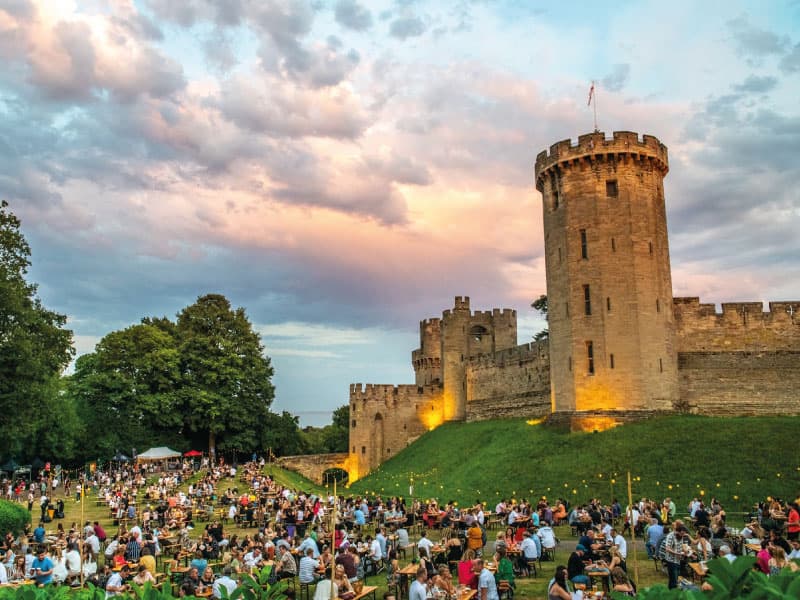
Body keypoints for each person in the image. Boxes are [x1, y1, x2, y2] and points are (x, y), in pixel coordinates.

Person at [664, 524, 687, 589]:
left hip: (677, 560)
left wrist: (684, 550)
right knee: (674, 579)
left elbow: (681, 544)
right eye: (681, 533)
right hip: (671, 560)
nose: (682, 535)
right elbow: (667, 548)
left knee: (673, 578)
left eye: (683, 534)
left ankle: (670, 591)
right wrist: (677, 553)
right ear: (677, 531)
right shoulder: (670, 536)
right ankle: (673, 593)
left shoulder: (681, 536)